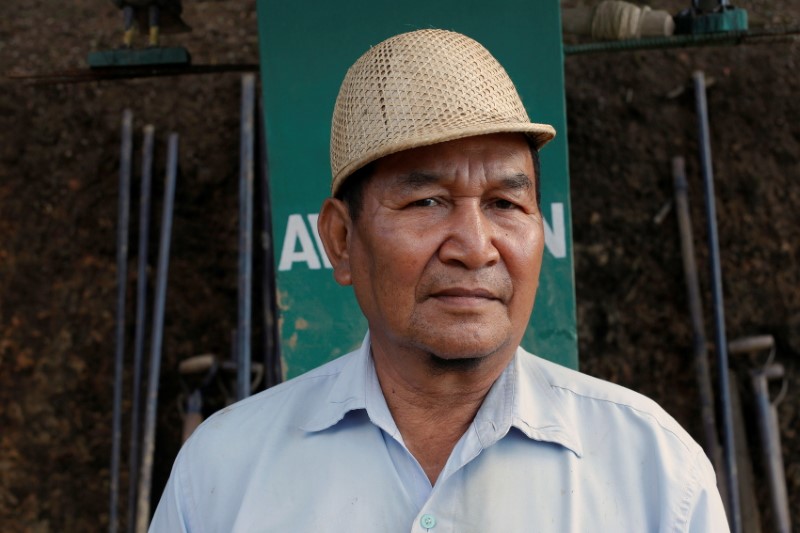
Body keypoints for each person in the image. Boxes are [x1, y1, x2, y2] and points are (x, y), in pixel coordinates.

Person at [149, 29, 729, 532]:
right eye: (427, 201)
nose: (475, 247)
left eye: (505, 202)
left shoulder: (655, 472)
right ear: (342, 240)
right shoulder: (223, 474)